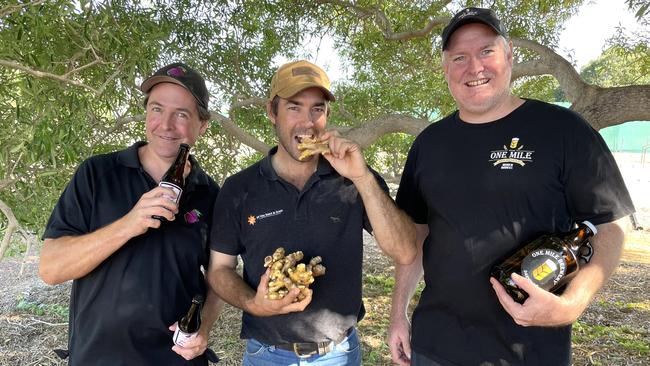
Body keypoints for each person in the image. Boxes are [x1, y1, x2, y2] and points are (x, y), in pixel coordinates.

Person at [387, 7, 635, 366]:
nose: (474, 68)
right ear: (445, 68)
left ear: (509, 56)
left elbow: (612, 225)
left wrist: (571, 304)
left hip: (529, 352)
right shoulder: (429, 144)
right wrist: (398, 314)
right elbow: (415, 239)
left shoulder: (563, 130)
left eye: (486, 51)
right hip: (435, 347)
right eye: (459, 57)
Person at [207, 60, 417, 365]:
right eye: (294, 108)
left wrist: (361, 178)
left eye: (317, 109)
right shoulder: (240, 188)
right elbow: (219, 270)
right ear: (272, 112)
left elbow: (406, 251)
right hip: (266, 355)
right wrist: (254, 303)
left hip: (339, 354)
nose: (307, 122)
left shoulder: (354, 178)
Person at [39, 62, 223, 366]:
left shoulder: (211, 194)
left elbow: (219, 276)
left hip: (176, 360)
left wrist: (204, 325)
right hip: (97, 358)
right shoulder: (97, 174)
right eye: (156, 109)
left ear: (202, 125)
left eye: (181, 114)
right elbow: (50, 269)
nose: (165, 125)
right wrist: (127, 224)